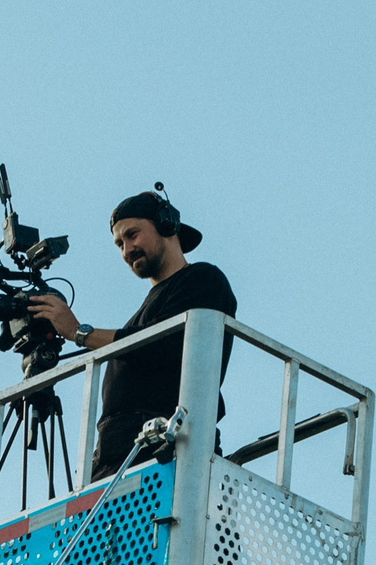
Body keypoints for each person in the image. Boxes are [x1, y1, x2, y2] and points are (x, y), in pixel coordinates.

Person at [29, 188, 235, 480]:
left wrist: (79, 333)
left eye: (132, 234)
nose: (126, 250)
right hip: (117, 463)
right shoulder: (142, 313)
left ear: (167, 225)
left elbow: (160, 347)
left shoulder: (203, 279)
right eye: (119, 243)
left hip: (164, 454)